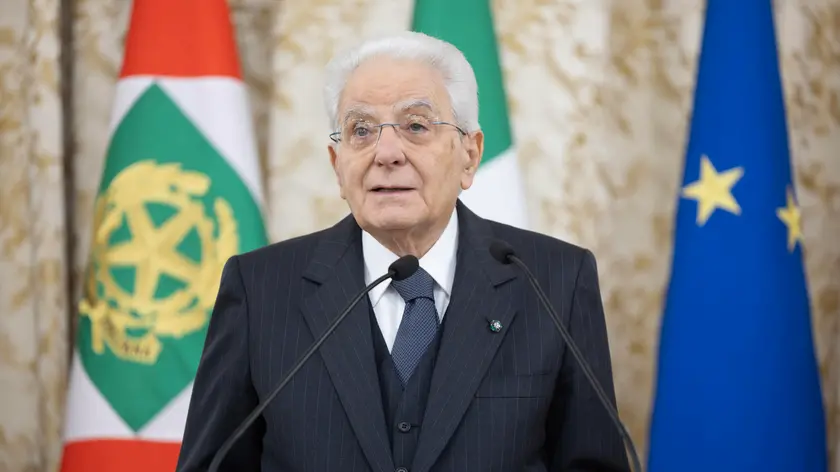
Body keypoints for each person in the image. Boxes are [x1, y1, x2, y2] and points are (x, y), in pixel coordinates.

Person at [176, 31, 629, 472]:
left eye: (415, 126)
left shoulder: (554, 280)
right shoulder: (260, 289)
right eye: (361, 130)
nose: (386, 153)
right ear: (337, 165)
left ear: (469, 155)